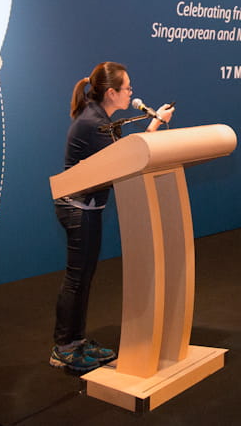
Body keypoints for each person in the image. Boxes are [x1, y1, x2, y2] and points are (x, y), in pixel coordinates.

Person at [50, 61, 174, 373]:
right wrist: (155, 124)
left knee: (83, 277)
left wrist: (155, 123)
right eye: (127, 88)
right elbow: (128, 162)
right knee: (77, 278)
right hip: (78, 209)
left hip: (87, 207)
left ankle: (76, 341)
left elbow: (124, 156)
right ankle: (64, 347)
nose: (131, 92)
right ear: (111, 93)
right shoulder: (94, 123)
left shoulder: (98, 118)